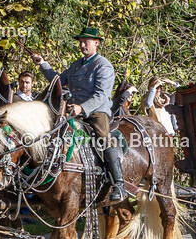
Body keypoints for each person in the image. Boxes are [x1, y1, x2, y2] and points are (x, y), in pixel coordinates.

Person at [32, 26, 126, 203]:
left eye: (86, 42)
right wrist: (42, 63)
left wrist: (81, 108)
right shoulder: (76, 65)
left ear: (96, 43)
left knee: (103, 140)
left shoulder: (103, 65)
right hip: (74, 111)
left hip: (97, 111)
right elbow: (58, 81)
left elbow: (101, 95)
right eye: (81, 42)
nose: (83, 45)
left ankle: (118, 185)